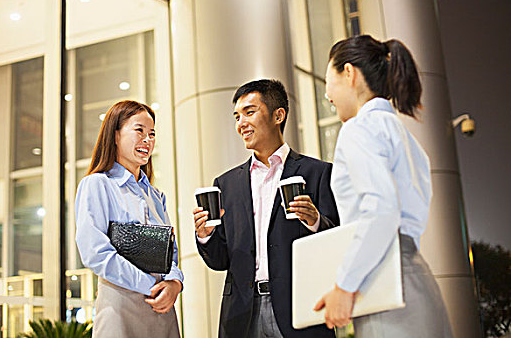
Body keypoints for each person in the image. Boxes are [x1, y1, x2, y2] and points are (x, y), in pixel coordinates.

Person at [314, 35, 452, 337]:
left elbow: (381, 209)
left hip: (383, 285)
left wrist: (344, 286)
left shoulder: (358, 130)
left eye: (329, 81)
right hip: (417, 278)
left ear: (348, 73)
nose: (328, 95)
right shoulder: (404, 135)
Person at [193, 79, 340, 338]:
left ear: (278, 115)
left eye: (249, 112)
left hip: (300, 308)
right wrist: (205, 235)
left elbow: (336, 243)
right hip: (241, 314)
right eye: (237, 116)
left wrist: (316, 220)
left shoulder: (317, 173)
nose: (241, 124)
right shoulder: (226, 184)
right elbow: (220, 261)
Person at [75, 100, 183, 337]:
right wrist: (151, 286)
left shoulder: (155, 195)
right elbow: (95, 253)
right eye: (139, 131)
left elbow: (170, 253)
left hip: (162, 310)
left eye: (152, 133)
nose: (147, 140)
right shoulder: (97, 184)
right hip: (120, 308)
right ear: (115, 135)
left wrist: (174, 283)